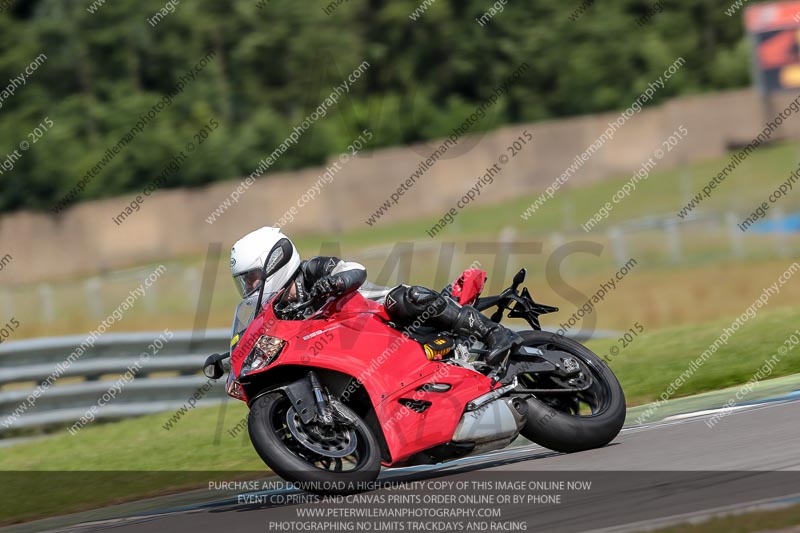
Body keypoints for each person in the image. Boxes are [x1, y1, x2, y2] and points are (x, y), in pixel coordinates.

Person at [229, 227, 520, 368]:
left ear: (275, 263)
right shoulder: (277, 312)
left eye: (253, 277)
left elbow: (356, 270)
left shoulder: (312, 270)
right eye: (246, 281)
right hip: (353, 352)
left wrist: (335, 282)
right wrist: (227, 357)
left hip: (382, 317)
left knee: (410, 298)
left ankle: (495, 334)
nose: (251, 286)